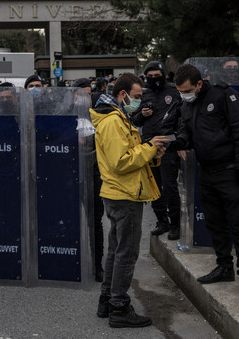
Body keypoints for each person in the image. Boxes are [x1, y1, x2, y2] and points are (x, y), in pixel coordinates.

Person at [91, 72, 168, 328]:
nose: (139, 102)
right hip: (124, 194)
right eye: (136, 97)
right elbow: (121, 161)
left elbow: (127, 153)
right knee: (126, 253)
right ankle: (119, 307)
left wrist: (151, 152)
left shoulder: (116, 116)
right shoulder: (113, 120)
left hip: (119, 192)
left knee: (116, 250)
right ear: (122, 94)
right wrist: (149, 148)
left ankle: (108, 300)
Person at [172, 64, 239, 299]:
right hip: (206, 172)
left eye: (186, 90)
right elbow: (186, 130)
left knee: (238, 224)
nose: (183, 94)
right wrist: (180, 141)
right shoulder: (188, 103)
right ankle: (224, 266)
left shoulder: (223, 95)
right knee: (214, 222)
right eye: (180, 91)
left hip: (229, 171)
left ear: (199, 84)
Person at [132, 61, 182, 240]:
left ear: (162, 74)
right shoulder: (145, 93)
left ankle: (175, 223)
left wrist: (179, 143)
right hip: (149, 147)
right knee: (154, 187)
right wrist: (142, 114)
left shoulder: (173, 91)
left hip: (168, 144)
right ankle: (162, 221)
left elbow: (181, 119)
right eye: (150, 76)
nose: (153, 79)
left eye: (156, 75)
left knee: (170, 186)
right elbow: (135, 120)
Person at [73, 77, 104, 282]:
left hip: (93, 171)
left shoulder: (97, 115)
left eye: (88, 92)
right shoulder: (63, 114)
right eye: (81, 93)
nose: (86, 96)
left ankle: (97, 265)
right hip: (70, 173)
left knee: (95, 221)